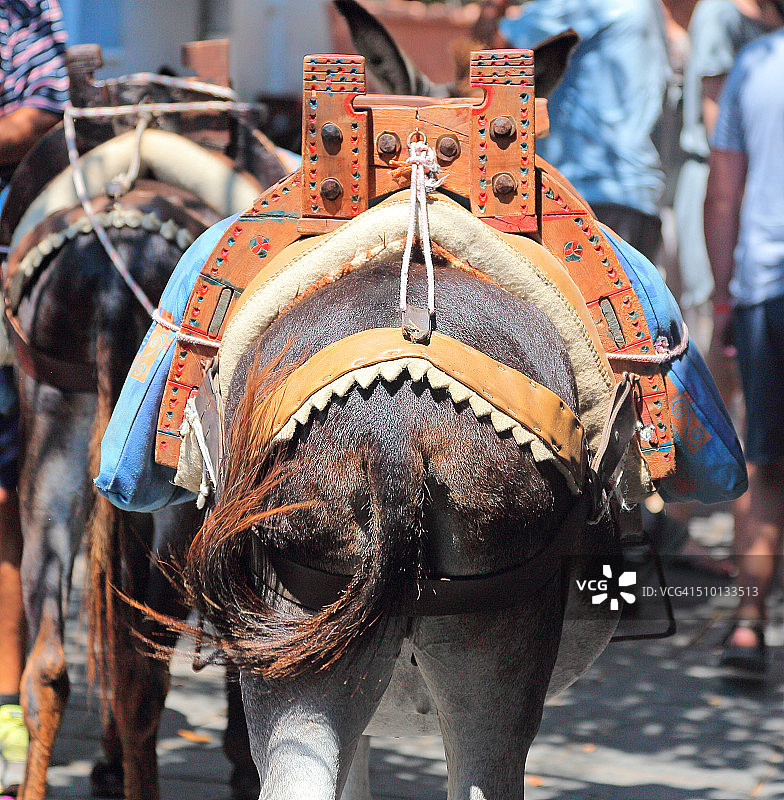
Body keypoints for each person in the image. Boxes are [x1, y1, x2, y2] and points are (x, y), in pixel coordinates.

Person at [0, 1, 68, 793]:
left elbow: (42, 109)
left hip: (10, 239)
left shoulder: (24, 14)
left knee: (8, 504)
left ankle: (8, 705)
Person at [705, 14, 784, 678]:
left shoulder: (755, 67)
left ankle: (748, 628)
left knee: (765, 461)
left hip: (765, 289)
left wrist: (724, 298)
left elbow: (724, 192)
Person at [480, 0, 670, 264]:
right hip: (638, 198)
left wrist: (494, 9)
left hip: (587, 198)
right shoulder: (649, 8)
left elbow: (499, 49)